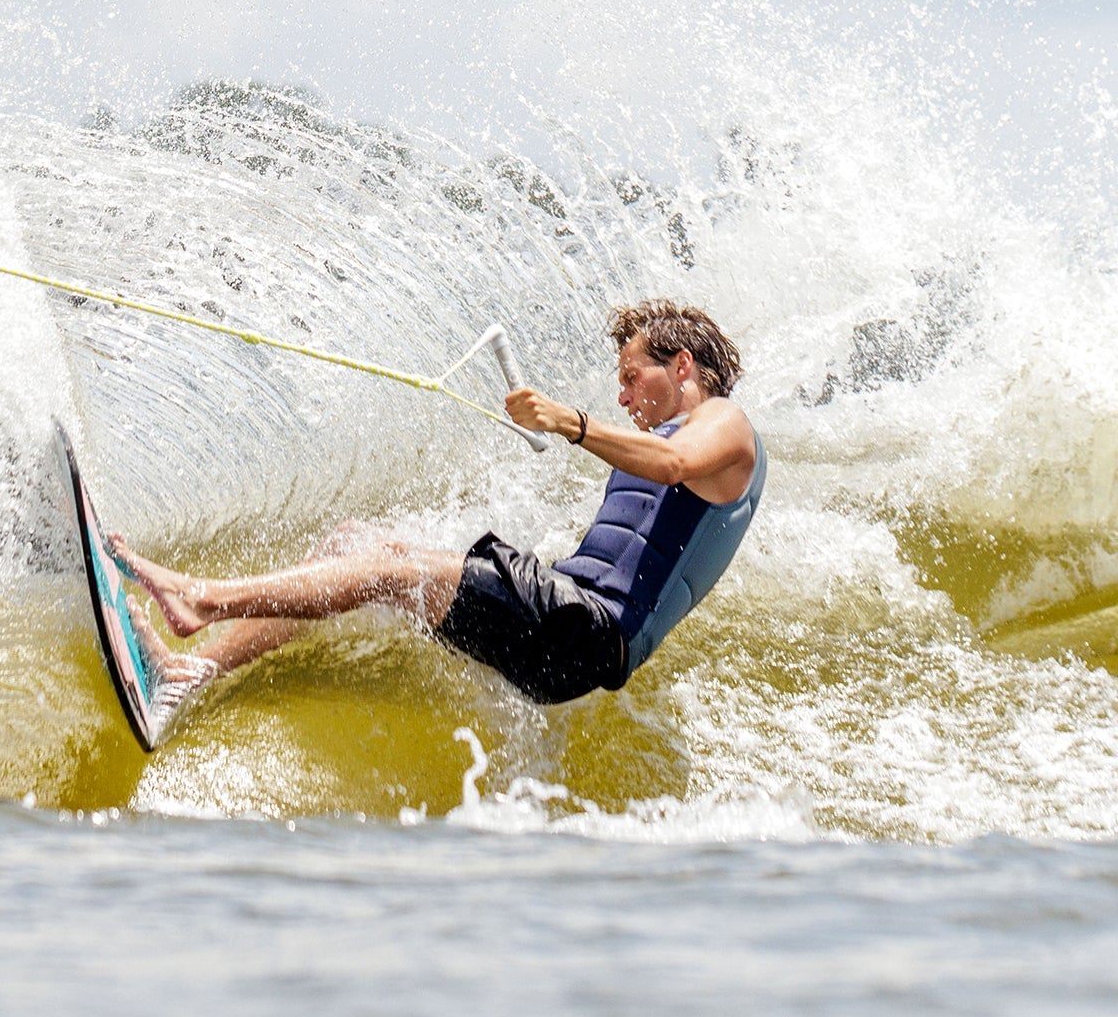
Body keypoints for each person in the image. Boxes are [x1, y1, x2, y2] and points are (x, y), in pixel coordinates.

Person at [111, 299, 764, 712]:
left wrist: (570, 421)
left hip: (592, 638)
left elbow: (676, 465)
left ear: (681, 367)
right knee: (353, 543)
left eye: (631, 377)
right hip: (562, 619)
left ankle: (204, 600)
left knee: (398, 566)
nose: (623, 397)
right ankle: (188, 674)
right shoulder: (656, 443)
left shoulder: (725, 427)